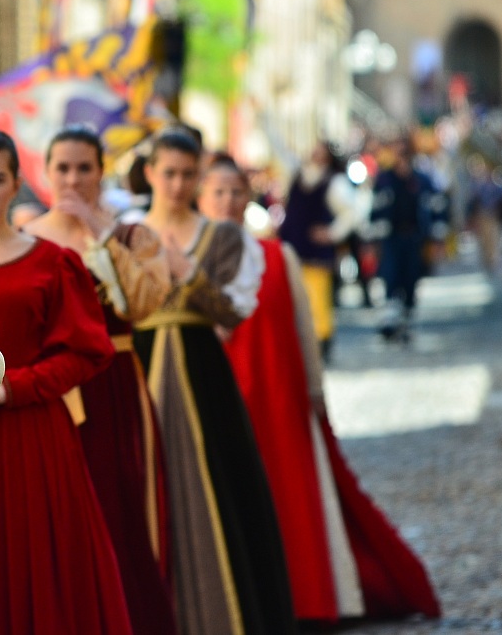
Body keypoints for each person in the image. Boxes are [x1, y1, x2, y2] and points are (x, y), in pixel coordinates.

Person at [202, 154, 441, 623]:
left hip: (277, 399)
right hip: (217, 404)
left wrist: (315, 396)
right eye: (218, 192)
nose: (228, 202)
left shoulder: (276, 257)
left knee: (289, 502)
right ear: (201, 197)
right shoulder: (179, 259)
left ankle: (306, 597)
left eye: (236, 192)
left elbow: (302, 332)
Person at [0, 128, 131, 635]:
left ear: (16, 184)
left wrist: (15, 387)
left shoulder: (53, 262)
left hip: (33, 437)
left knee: (38, 561)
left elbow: (88, 351)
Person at [133, 129, 296, 635]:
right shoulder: (125, 232)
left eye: (187, 175)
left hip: (204, 372)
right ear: (151, 174)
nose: (177, 184)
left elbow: (234, 310)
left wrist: (189, 274)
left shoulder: (223, 237)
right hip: (135, 371)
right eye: (169, 174)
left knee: (221, 486)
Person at [23, 127, 178, 635]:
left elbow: (145, 303)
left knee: (121, 500)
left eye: (83, 168)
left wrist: (101, 232)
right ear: (46, 173)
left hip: (113, 385)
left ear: (101, 172)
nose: (72, 179)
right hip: (51, 390)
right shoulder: (28, 237)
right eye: (62, 168)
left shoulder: (133, 236)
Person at [278, 140, 355, 361]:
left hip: (315, 252)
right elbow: (279, 150)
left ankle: (321, 342)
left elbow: (351, 212)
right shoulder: (296, 174)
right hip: (292, 247)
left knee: (318, 298)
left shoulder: (334, 182)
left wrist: (332, 233)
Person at [369, 138, 448, 342]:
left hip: (415, 236)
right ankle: (391, 321)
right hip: (391, 237)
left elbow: (437, 206)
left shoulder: (422, 180)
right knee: (390, 275)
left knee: (411, 279)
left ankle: (405, 320)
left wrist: (438, 236)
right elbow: (375, 211)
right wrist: (373, 239)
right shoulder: (385, 180)